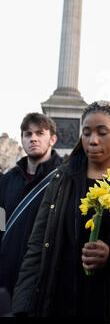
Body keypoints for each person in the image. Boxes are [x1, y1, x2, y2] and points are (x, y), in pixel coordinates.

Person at [12, 101, 110, 317]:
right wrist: (23, 304)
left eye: (102, 133)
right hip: (61, 299)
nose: (93, 141)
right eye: (86, 133)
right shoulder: (62, 179)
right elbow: (38, 243)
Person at [0, 113, 62, 297]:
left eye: (39, 133)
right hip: (7, 276)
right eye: (27, 134)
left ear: (52, 139)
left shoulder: (65, 180)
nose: (33, 138)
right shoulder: (6, 181)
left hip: (45, 279)